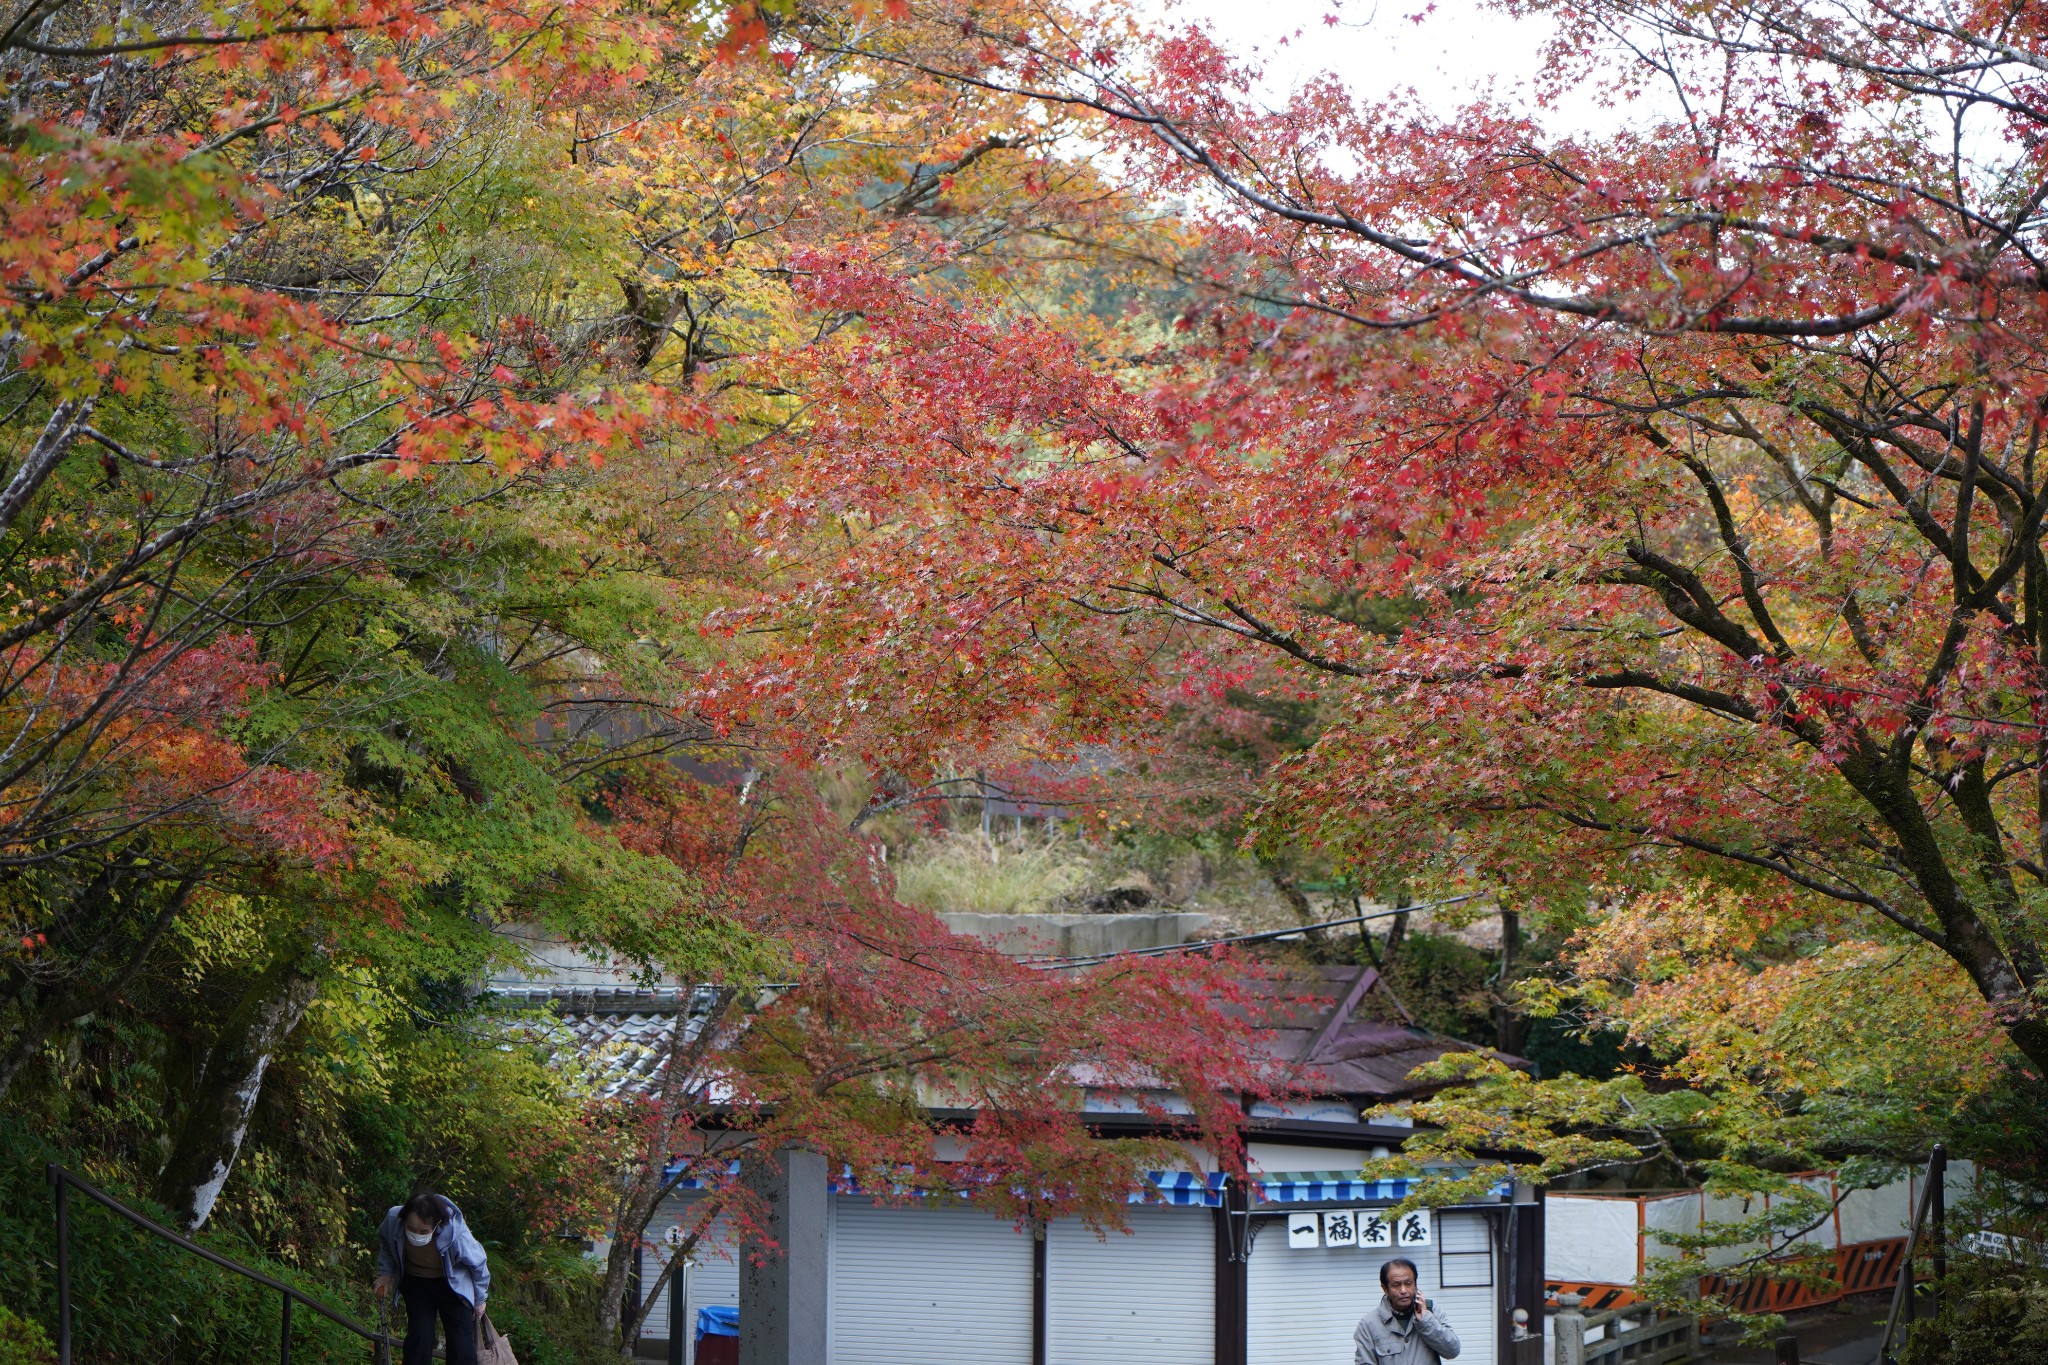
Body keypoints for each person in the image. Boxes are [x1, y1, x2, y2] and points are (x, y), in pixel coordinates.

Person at [373, 1190, 491, 1365]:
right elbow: (387, 1246)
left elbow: (478, 1264)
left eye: (424, 1231)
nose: (417, 1234)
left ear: (437, 1224)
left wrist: (480, 1298)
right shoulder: (393, 1220)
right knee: (419, 1336)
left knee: (461, 1343)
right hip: (416, 1282)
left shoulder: (454, 1232)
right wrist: (385, 1274)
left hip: (453, 1286)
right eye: (412, 1229)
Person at [1354, 1257, 1460, 1365]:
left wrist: (1426, 1321)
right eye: (1396, 1285)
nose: (1403, 1290)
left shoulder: (1431, 1310)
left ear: (1415, 1284)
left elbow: (1452, 1351)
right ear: (1385, 1289)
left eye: (1408, 1283)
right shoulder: (1368, 1324)